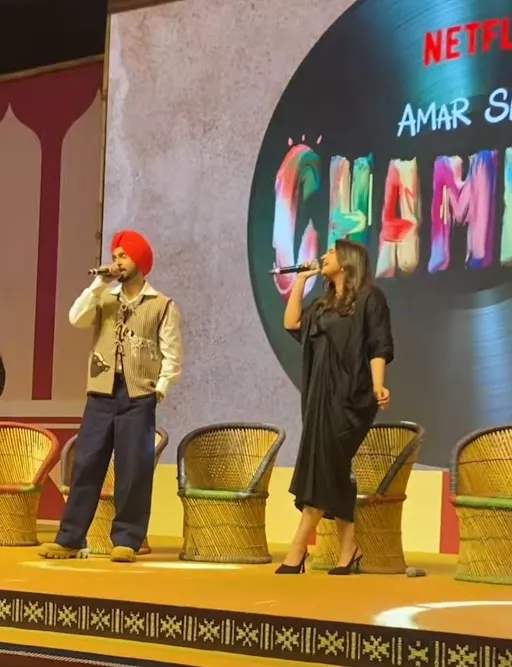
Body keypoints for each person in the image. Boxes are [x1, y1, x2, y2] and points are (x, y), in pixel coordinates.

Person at [38, 230, 183, 563]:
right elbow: (76, 318)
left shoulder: (161, 305)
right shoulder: (104, 297)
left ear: (139, 261)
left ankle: (127, 540)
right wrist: (98, 283)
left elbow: (172, 354)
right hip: (101, 393)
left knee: (133, 470)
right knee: (86, 464)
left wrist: (160, 389)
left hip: (138, 395)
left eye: (123, 256)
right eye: (115, 256)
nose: (117, 262)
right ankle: (70, 538)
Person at [275, 239, 393, 576]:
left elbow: (378, 345)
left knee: (326, 465)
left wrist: (378, 384)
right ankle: (349, 548)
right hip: (320, 395)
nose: (323, 256)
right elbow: (292, 323)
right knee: (334, 470)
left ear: (347, 261)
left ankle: (297, 550)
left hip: (352, 395)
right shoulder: (323, 303)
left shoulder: (370, 298)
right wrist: (301, 281)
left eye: (330, 252)